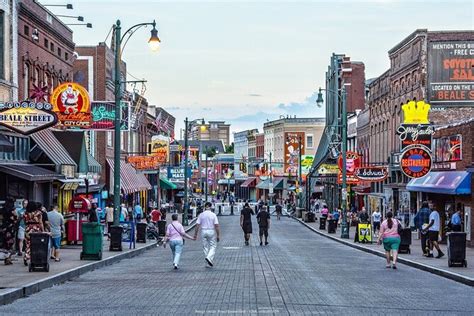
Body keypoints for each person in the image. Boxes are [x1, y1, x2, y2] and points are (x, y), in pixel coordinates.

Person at [194, 202, 220, 267]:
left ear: (205, 207)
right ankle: (209, 257)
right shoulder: (213, 215)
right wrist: (218, 235)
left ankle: (207, 261)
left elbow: (197, 225)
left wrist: (195, 234)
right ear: (211, 207)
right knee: (213, 246)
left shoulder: (201, 215)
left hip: (203, 230)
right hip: (211, 230)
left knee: (205, 247)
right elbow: (216, 225)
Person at [23, 202, 45, 266]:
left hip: (28, 229)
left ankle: (26, 257)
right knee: (37, 244)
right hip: (36, 228)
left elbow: (24, 222)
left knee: (28, 244)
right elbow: (41, 222)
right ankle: (35, 258)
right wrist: (43, 230)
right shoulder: (38, 213)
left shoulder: (25, 213)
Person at [1, 198, 17, 265]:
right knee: (10, 243)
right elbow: (16, 218)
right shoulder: (12, 211)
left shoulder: (2, 210)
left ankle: (5, 257)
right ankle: (8, 258)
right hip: (10, 228)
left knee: (4, 243)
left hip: (3, 228)